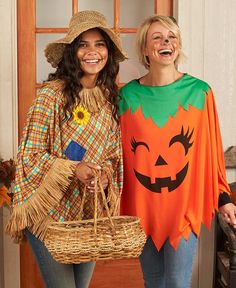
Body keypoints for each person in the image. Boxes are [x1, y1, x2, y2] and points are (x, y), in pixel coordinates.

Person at [6, 10, 126, 288]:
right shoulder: (51, 96)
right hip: (50, 215)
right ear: (72, 52)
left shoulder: (108, 100)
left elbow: (112, 155)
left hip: (87, 215)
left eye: (99, 44)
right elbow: (29, 156)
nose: (92, 52)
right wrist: (75, 169)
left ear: (108, 52)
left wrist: (105, 176)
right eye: (83, 44)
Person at [118, 15, 236, 288]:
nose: (165, 42)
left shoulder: (199, 93)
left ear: (178, 45)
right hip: (142, 206)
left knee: (177, 282)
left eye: (171, 37)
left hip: (184, 205)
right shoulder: (127, 97)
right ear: (145, 50)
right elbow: (116, 149)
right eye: (157, 37)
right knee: (153, 281)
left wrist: (223, 198)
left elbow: (211, 152)